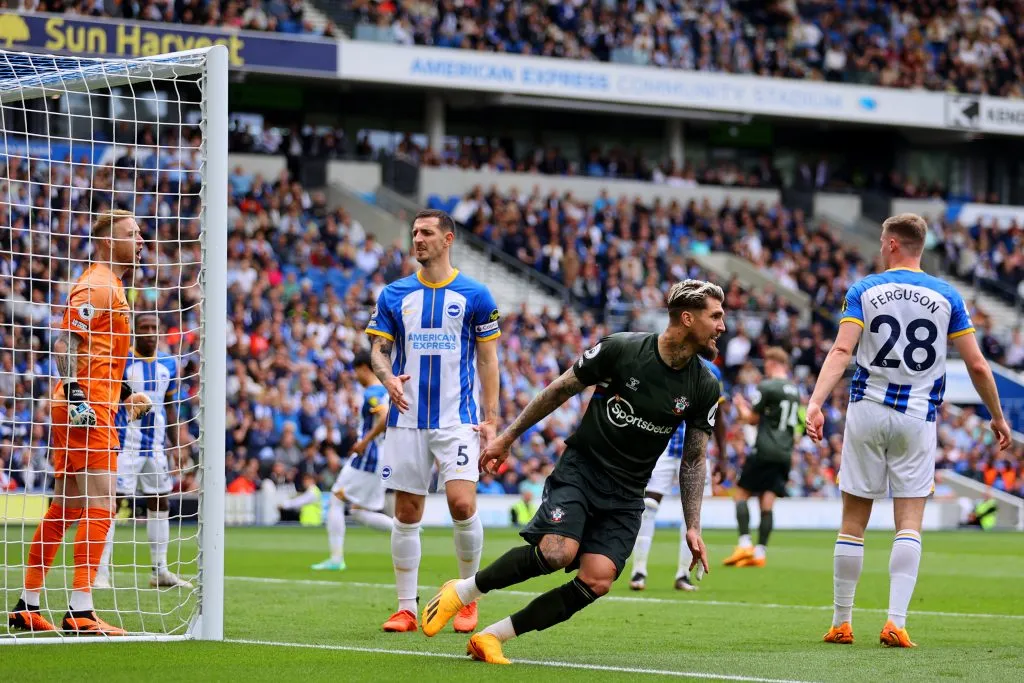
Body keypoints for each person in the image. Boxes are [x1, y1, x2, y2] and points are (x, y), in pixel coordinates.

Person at [421, 279, 725, 665]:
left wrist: (693, 526)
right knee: (556, 552)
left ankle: (492, 637)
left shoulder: (704, 385)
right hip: (583, 471)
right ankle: (463, 591)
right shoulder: (623, 349)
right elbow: (559, 390)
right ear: (687, 318)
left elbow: (694, 460)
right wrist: (508, 437)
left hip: (628, 492)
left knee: (598, 579)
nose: (722, 327)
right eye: (715, 316)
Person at [806, 213, 1011, 648]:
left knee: (853, 522)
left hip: (867, 409)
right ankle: (895, 622)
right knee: (909, 522)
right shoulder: (947, 295)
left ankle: (842, 622)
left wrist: (816, 402)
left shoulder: (865, 289)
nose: (881, 246)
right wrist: (996, 415)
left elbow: (843, 348)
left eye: (883, 240)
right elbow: (976, 364)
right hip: (918, 415)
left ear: (894, 244)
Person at [8, 209, 150, 635]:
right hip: (85, 409)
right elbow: (67, 340)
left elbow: (98, 355)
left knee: (66, 508)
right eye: (132, 233)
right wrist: (74, 393)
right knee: (102, 503)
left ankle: (26, 605)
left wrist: (125, 393)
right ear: (108, 242)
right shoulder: (97, 284)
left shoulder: (117, 288)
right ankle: (81, 612)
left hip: (92, 403)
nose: (141, 240)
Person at [366, 209, 500, 634]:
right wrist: (387, 378)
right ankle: (406, 607)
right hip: (407, 420)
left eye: (426, 233)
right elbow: (377, 353)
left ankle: (466, 598)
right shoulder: (394, 294)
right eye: (414, 233)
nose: (417, 239)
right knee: (407, 512)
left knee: (462, 504)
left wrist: (491, 420)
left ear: (448, 239)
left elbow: (488, 360)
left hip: (457, 419)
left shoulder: (476, 295)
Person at [95, 312, 192, 590]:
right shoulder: (124, 361)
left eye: (154, 327)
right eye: (145, 327)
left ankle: (159, 570)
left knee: (160, 501)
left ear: (160, 331)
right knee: (111, 504)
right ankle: (101, 571)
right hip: (125, 445)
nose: (150, 332)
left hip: (156, 447)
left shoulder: (169, 364)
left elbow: (171, 407)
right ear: (136, 331)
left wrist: (177, 444)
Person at [628, 358, 725, 592]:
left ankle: (683, 575)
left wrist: (723, 455)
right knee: (648, 506)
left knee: (691, 515)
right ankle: (638, 570)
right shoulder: (665, 363)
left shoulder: (712, 372)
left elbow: (718, 414)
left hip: (695, 454)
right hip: (662, 450)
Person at [311, 351, 393, 571]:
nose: (355, 375)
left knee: (337, 499)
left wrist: (364, 441)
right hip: (379, 458)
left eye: (356, 371)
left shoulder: (373, 392)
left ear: (364, 368)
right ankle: (405, 531)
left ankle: (336, 559)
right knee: (357, 510)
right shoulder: (384, 390)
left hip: (367, 458)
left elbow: (384, 417)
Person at [722, 347, 800, 568]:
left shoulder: (767, 386)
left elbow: (752, 419)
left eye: (766, 364)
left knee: (741, 494)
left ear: (774, 363)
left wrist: (740, 406)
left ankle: (744, 544)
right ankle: (760, 553)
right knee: (767, 502)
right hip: (784, 452)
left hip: (764, 449)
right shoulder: (794, 390)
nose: (764, 368)